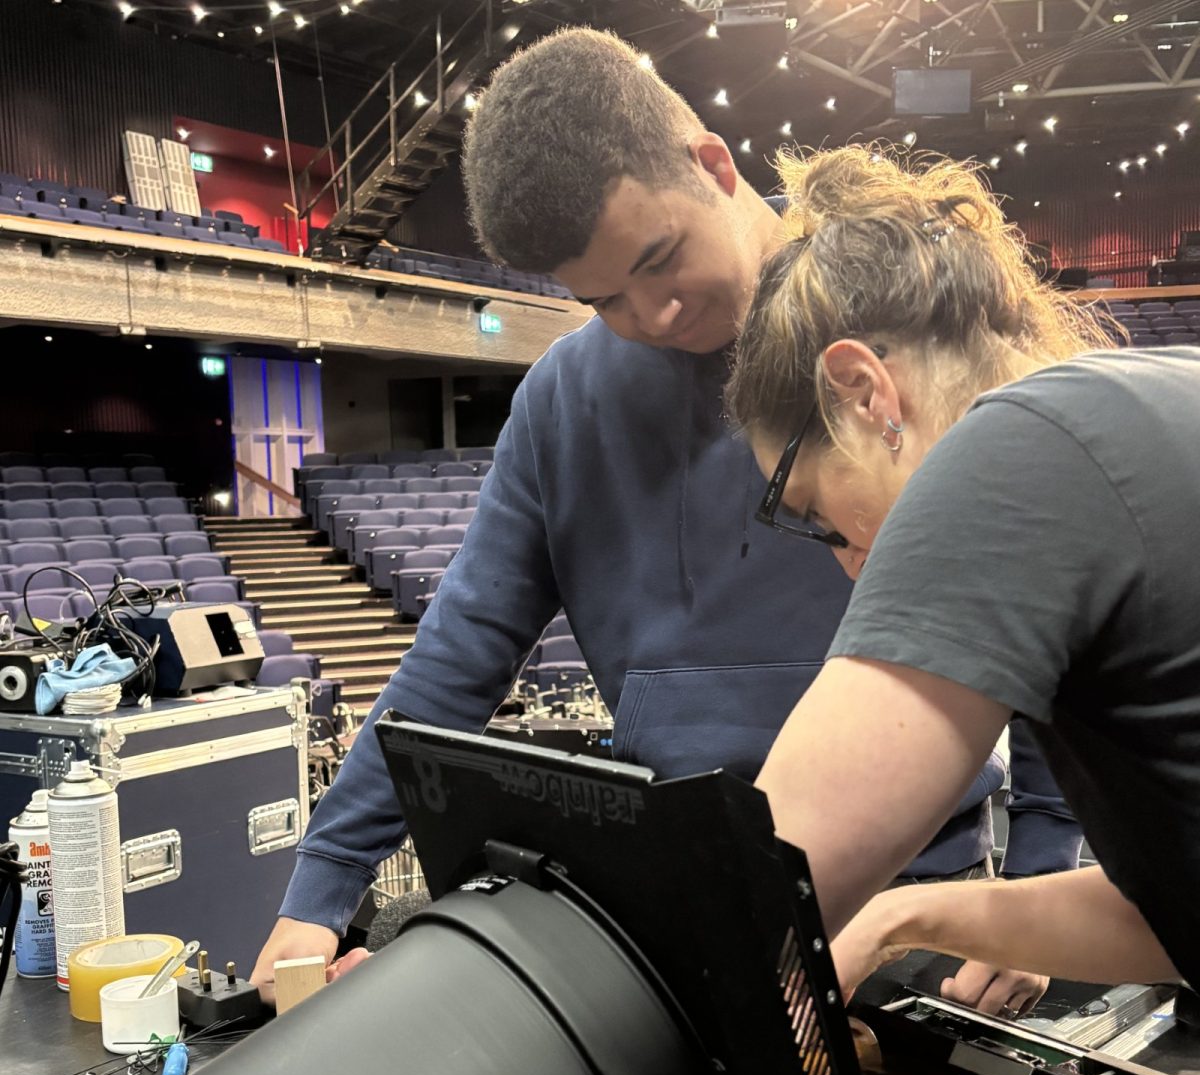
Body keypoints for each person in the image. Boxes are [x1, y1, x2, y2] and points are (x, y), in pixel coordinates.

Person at [251, 31, 1074, 1013]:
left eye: (661, 258)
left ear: (713, 164)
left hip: (913, 902)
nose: (654, 312)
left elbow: (1044, 599)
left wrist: (1035, 876)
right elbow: (458, 652)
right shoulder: (560, 400)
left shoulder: (887, 308)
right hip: (693, 899)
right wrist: (324, 882)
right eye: (603, 299)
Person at [724, 142, 1200, 998]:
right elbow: (1174, 920)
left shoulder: (1014, 445)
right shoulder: (1150, 397)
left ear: (866, 394)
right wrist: (909, 916)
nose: (848, 566)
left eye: (813, 514)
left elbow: (750, 896)